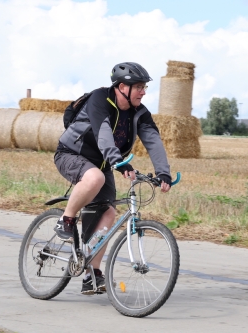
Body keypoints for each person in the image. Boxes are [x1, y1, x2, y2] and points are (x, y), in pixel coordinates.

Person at [54, 62, 172, 295]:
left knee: (107, 213)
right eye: (138, 86)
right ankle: (66, 220)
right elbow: (103, 133)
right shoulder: (100, 99)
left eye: (144, 87)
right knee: (95, 178)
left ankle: (91, 274)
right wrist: (119, 162)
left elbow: (153, 141)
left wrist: (163, 172)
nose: (143, 92)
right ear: (121, 87)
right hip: (71, 155)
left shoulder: (140, 113)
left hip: (103, 163)